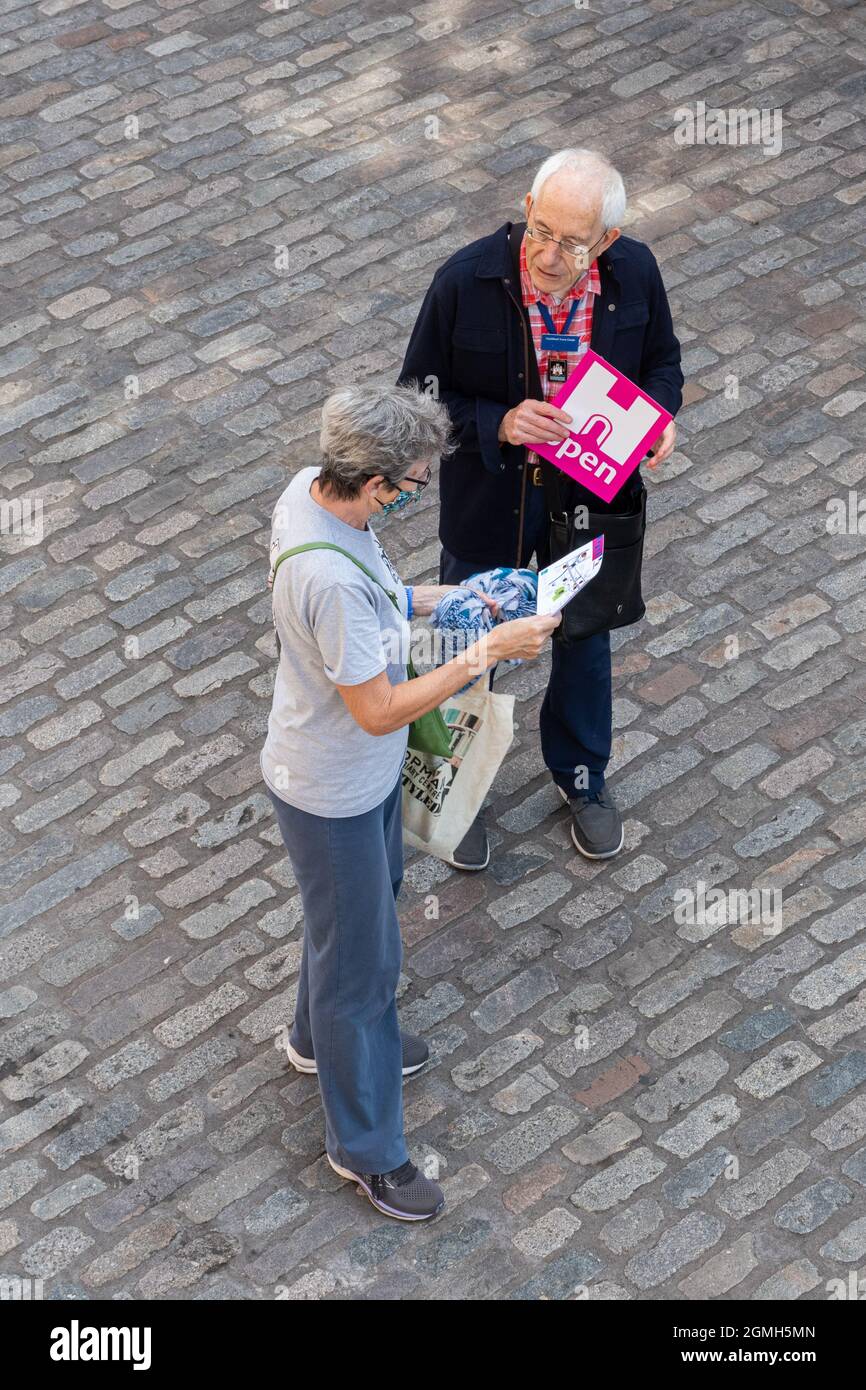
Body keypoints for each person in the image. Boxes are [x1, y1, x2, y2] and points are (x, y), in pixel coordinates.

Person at [260, 382, 560, 1221]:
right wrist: (482, 652)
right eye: (413, 483)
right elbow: (380, 707)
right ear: (376, 482)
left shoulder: (313, 499)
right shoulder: (331, 584)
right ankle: (368, 1150)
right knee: (363, 968)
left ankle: (317, 1044)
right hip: (335, 786)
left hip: (352, 774)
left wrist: (457, 601)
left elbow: (385, 598)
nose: (416, 494)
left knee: (355, 916)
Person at [398, 148, 683, 868]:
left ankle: (583, 779)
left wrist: (662, 417)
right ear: (527, 208)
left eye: (572, 242)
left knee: (583, 637)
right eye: (541, 231)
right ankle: (451, 792)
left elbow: (663, 365)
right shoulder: (464, 280)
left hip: (589, 500)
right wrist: (497, 420)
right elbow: (417, 396)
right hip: (490, 502)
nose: (550, 256)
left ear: (607, 242)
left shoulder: (636, 271)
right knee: (467, 642)